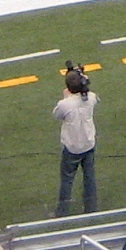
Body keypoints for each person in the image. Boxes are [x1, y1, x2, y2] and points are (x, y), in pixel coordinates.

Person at [55, 65, 99, 214]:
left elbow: (57, 115)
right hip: (88, 143)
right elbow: (93, 99)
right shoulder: (91, 97)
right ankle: (91, 208)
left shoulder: (65, 104)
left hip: (72, 147)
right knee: (89, 177)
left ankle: (62, 212)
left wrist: (66, 97)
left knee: (67, 180)